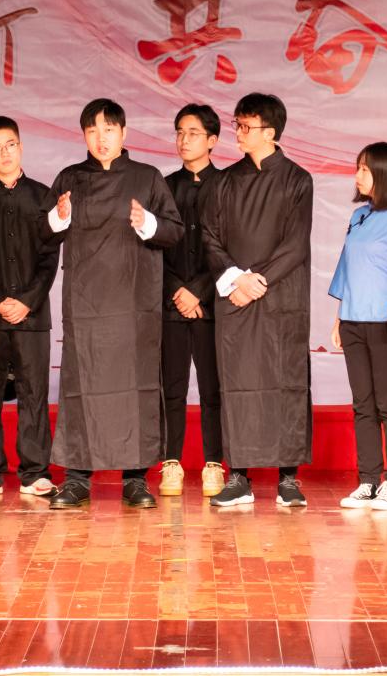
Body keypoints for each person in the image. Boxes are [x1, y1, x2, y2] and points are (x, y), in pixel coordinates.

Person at [43, 98, 183, 510]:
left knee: (135, 387)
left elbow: (174, 231)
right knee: (80, 384)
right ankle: (76, 479)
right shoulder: (70, 178)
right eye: (92, 131)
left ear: (124, 133)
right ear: (84, 135)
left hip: (134, 303)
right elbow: (43, 232)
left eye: (108, 130)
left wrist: (148, 223)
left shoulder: (147, 177)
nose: (101, 138)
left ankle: (136, 479)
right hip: (86, 305)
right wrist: (59, 216)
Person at [202, 93, 314, 508]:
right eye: (238, 124)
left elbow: (295, 243)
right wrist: (238, 279)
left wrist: (259, 280)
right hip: (236, 298)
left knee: (286, 382)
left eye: (247, 126)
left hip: (281, 297)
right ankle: (239, 475)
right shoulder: (224, 182)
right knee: (238, 384)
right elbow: (210, 237)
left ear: (270, 132)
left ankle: (288, 477)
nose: (239, 132)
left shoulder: (298, 180)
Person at [0, 116, 60, 498]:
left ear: (20, 147)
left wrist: (27, 301)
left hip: (32, 316)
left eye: (10, 145)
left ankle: (35, 472)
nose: (3, 154)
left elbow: (50, 257)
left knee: (33, 392)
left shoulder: (44, 197)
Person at [327, 142, 387, 511]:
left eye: (364, 169)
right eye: (358, 168)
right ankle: (368, 479)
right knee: (362, 404)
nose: (358, 176)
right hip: (353, 321)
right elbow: (346, 269)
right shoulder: (359, 216)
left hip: (385, 322)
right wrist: (339, 317)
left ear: (384, 172)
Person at [160, 104, 224, 498]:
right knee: (172, 387)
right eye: (180, 132)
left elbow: (232, 247)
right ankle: (171, 463)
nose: (184, 140)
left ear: (213, 140)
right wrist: (177, 290)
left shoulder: (228, 185)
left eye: (194, 133)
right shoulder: (163, 186)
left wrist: (199, 290)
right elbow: (154, 248)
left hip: (213, 304)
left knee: (213, 388)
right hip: (171, 302)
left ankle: (214, 464)